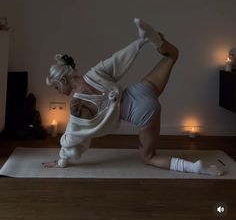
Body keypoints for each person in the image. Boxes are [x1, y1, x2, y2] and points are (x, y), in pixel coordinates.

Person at [43, 18, 223, 176]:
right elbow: (118, 59)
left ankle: (196, 168)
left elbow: (72, 135)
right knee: (172, 55)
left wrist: (61, 161)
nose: (58, 91)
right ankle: (153, 38)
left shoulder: (76, 103)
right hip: (141, 90)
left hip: (141, 113)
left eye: (57, 87)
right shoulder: (94, 73)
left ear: (63, 79)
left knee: (149, 157)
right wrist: (141, 41)